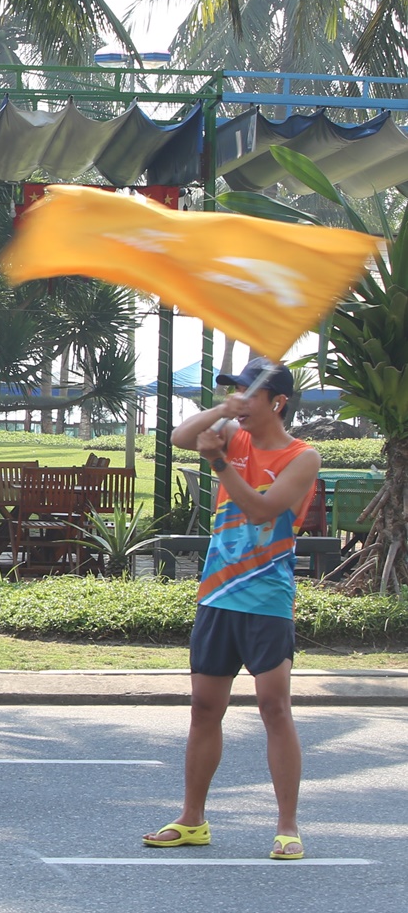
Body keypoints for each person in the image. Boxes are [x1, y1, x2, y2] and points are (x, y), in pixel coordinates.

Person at [146, 357, 319, 860]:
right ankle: (192, 819)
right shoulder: (231, 430)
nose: (239, 402)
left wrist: (219, 464)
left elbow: (264, 509)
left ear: (277, 401)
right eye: (234, 392)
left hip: (267, 598)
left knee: (274, 706)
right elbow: (180, 436)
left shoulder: (301, 456)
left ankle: (287, 827)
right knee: (204, 709)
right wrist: (222, 410)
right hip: (217, 594)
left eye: (248, 393)